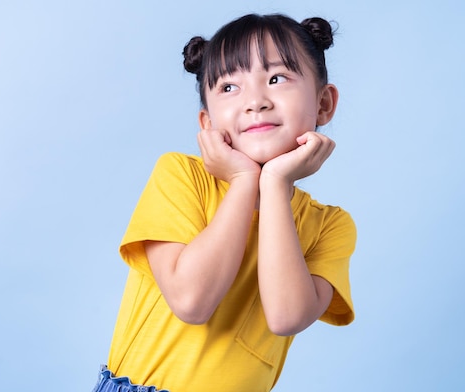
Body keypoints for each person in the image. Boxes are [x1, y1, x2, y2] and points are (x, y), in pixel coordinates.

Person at [92, 12, 357, 392]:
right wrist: (245, 179)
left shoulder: (330, 225)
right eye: (230, 87)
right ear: (207, 123)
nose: (256, 102)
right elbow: (191, 301)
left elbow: (286, 316)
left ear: (323, 104)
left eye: (277, 78)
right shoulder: (181, 176)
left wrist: (276, 184)